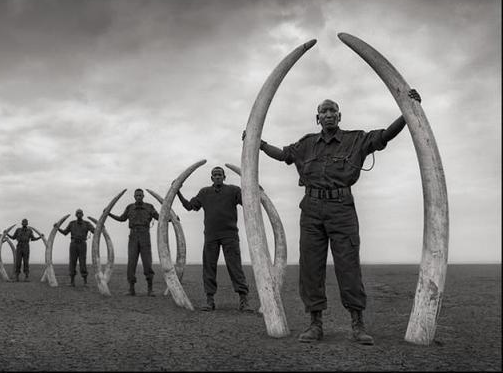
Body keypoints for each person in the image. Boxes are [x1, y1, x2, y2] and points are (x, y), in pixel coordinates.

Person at [248, 89, 421, 345]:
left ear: (340, 116)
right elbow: (284, 154)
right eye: (323, 111)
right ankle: (315, 324)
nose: (328, 114)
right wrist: (258, 144)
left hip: (342, 209)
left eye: (332, 111)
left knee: (348, 266)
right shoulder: (306, 144)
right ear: (317, 118)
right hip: (311, 210)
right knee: (310, 267)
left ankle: (357, 324)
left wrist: (408, 112)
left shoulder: (356, 140)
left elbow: (384, 136)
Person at [177, 166, 251, 312]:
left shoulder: (233, 191)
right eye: (215, 175)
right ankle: (209, 301)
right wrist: (177, 191)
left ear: (224, 177)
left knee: (235, 266)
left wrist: (255, 188)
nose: (217, 177)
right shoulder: (204, 193)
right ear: (211, 178)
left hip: (230, 236)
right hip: (211, 236)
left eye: (220, 174)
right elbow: (190, 206)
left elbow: (249, 202)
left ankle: (244, 301)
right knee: (209, 267)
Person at [108, 189, 160, 296]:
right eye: (137, 195)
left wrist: (172, 219)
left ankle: (150, 289)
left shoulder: (149, 207)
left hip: (145, 235)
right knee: (131, 262)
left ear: (143, 196)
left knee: (147, 262)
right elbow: (122, 218)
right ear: (134, 196)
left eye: (140, 195)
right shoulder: (130, 207)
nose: (139, 197)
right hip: (133, 236)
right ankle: (131, 289)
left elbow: (160, 217)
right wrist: (109, 214)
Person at [57, 209, 96, 286]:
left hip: (82, 244)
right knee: (72, 262)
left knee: (82, 262)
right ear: (75, 215)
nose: (79, 214)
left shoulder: (87, 224)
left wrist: (100, 226)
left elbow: (94, 231)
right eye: (77, 213)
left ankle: (85, 282)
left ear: (82, 214)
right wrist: (57, 228)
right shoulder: (72, 224)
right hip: (73, 244)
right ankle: (72, 282)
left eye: (80, 213)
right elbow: (65, 232)